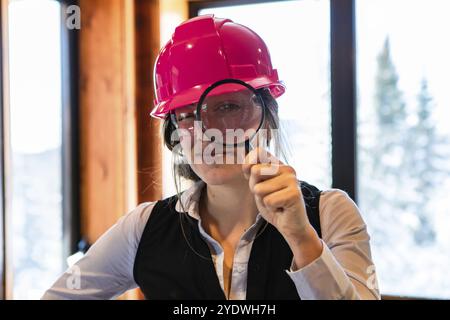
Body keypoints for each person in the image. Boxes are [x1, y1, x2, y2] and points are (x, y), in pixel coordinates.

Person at [42, 15, 380, 300]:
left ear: (268, 115)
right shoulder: (144, 229)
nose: (206, 131)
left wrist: (302, 238)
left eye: (228, 106)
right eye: (187, 115)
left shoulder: (329, 214)